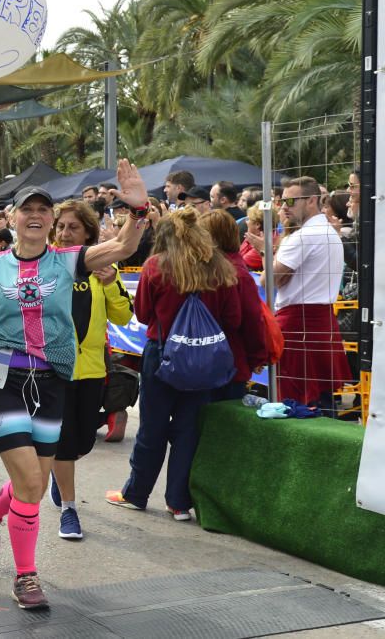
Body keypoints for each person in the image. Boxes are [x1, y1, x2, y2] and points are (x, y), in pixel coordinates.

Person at [0, 160, 152, 610]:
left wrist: (138, 207)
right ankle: (26, 576)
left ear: (50, 221)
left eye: (42, 209)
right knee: (31, 479)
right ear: (11, 219)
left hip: (53, 381)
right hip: (4, 379)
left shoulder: (71, 261)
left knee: (31, 483)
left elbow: (126, 245)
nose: (34, 215)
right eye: (25, 208)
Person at [106, 207, 241, 522]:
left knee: (152, 428)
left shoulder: (156, 266)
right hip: (204, 360)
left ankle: (136, 494)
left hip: (162, 354)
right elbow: (233, 318)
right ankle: (179, 502)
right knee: (188, 430)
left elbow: (141, 315)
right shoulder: (219, 267)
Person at [47, 200, 137, 541]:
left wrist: (113, 280)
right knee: (65, 441)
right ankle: (69, 510)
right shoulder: (48, 265)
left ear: (87, 232)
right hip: (55, 371)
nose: (64, 232)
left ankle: (60, 472)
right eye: (61, 226)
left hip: (92, 370)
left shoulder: (101, 269)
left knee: (83, 441)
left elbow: (123, 317)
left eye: (73, 227)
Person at [271, 176, 350, 409]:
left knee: (296, 402)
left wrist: (268, 253)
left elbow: (269, 279)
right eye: (282, 201)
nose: (285, 207)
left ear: (312, 200)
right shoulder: (329, 232)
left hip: (298, 323)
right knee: (323, 400)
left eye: (291, 200)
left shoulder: (303, 236)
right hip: (320, 321)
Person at [199, 211, 268, 401]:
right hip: (225, 359)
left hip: (223, 359)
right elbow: (252, 318)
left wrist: (256, 356)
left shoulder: (232, 272)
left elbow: (250, 318)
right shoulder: (229, 269)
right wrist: (256, 357)